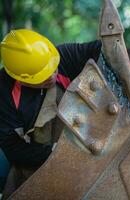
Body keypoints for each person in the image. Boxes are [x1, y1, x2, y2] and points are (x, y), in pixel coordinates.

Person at [0, 29, 102, 194]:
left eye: (52, 68)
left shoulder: (64, 56)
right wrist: (56, 153)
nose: (52, 75)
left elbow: (103, 50)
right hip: (33, 153)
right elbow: (13, 148)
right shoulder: (4, 92)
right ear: (20, 79)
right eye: (42, 76)